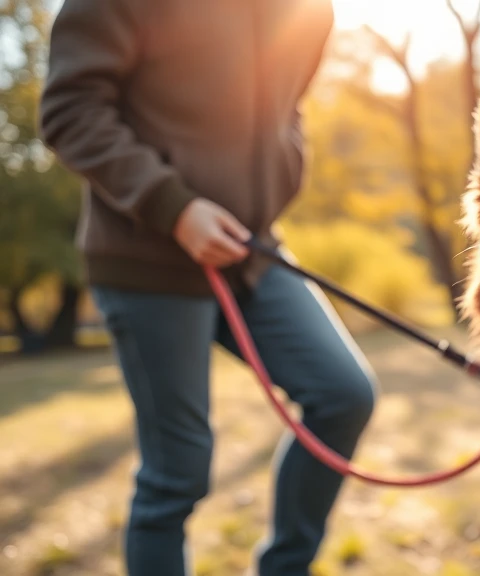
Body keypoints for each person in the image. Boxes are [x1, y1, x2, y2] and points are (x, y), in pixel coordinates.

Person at [39, 1, 377, 574]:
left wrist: (283, 168)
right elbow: (70, 111)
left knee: (344, 394)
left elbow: (285, 106)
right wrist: (173, 208)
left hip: (252, 251)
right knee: (178, 471)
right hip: (147, 257)